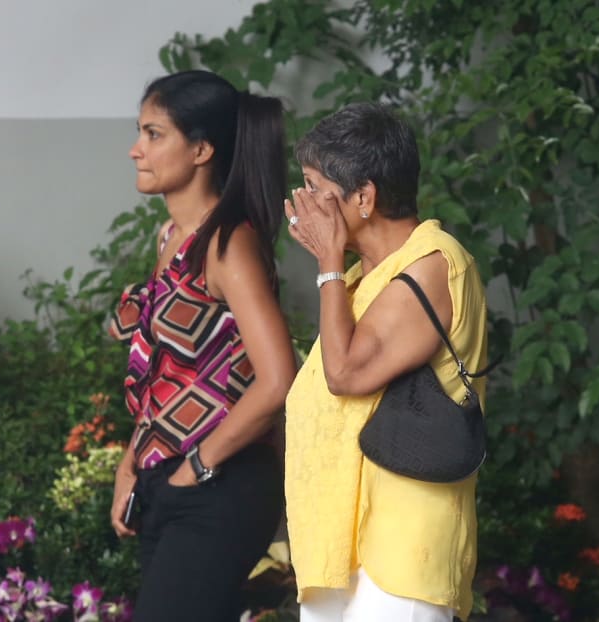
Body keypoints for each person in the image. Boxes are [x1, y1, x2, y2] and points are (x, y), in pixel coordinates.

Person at [283, 103, 488, 622]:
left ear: (365, 197)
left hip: (400, 555)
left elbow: (346, 374)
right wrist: (336, 268)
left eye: (314, 186)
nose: (302, 204)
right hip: (343, 553)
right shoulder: (363, 275)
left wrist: (328, 263)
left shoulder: (434, 263)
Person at [108, 70, 297, 622]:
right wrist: (129, 466)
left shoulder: (228, 243)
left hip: (222, 486)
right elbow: (166, 372)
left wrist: (198, 466)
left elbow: (279, 379)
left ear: (202, 149)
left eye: (153, 134)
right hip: (167, 480)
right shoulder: (170, 239)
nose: (136, 150)